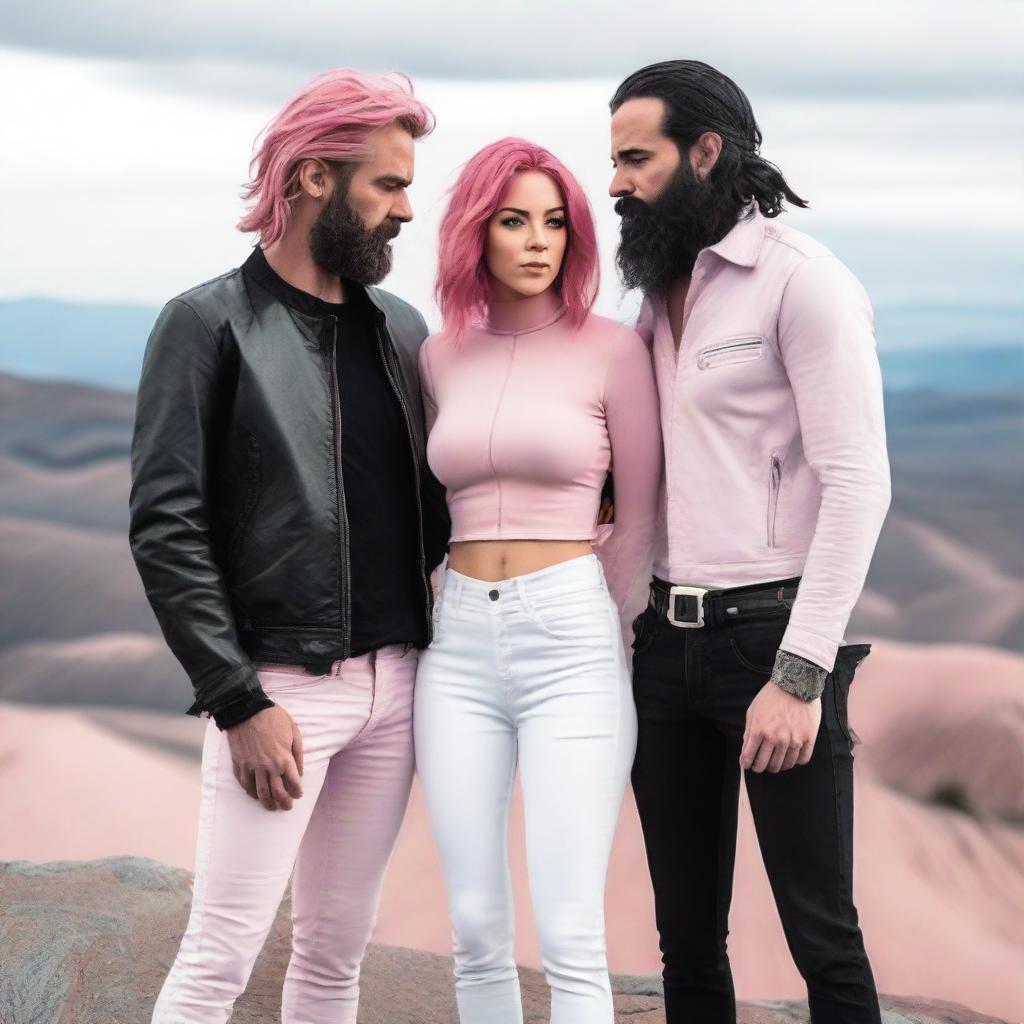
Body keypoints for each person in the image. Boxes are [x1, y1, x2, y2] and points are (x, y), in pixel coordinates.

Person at [128, 68, 448, 1024]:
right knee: (218, 958)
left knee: (335, 957)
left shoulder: (402, 329)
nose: (406, 209)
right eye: (388, 184)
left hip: (398, 687)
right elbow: (165, 525)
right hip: (282, 693)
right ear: (313, 177)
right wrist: (238, 700)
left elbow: (434, 502)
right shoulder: (206, 323)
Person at [609, 59, 890, 1024]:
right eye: (613, 162)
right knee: (685, 941)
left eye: (636, 158)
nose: (616, 182)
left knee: (823, 933)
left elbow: (860, 482)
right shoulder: (649, 300)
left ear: (706, 152)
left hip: (772, 644)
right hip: (663, 646)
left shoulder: (802, 283)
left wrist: (802, 675)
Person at [413, 138, 662, 1023]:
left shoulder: (612, 352)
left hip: (571, 641)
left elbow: (635, 521)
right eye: (513, 220)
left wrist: (597, 622)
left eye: (555, 222)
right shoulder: (441, 356)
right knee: (475, 924)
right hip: (457, 648)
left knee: (568, 929)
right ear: (475, 233)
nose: (536, 241)